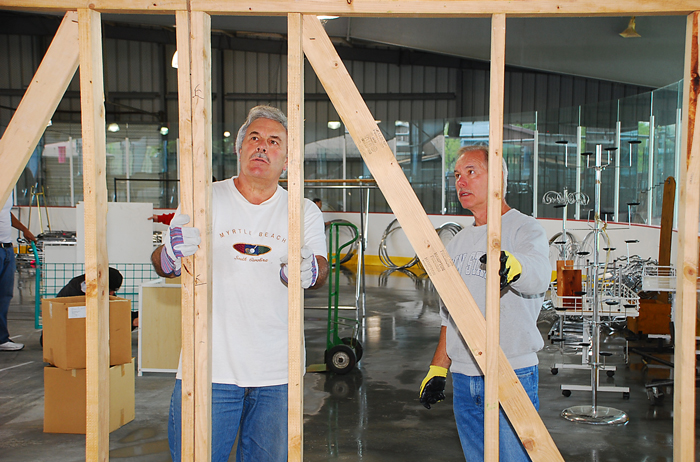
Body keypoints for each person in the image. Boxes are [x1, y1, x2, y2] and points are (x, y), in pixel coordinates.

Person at [151, 105, 329, 462]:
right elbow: (162, 262)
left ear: (288, 159)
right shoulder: (206, 198)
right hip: (208, 369)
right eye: (254, 138)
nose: (262, 147)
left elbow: (320, 269)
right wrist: (169, 254)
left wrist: (308, 272)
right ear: (239, 149)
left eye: (274, 141)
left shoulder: (302, 210)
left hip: (277, 375)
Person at [418, 146, 550, 462]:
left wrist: (514, 267)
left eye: (471, 172)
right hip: (465, 377)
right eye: (457, 176)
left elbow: (539, 274)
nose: (461, 182)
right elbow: (450, 315)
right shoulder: (458, 242)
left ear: (499, 178)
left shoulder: (523, 228)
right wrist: (439, 366)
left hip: (511, 371)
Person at [0, 192, 36, 351]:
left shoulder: (7, 188)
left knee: (4, 296)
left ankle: (1, 339)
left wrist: (24, 229)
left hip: (7, 248)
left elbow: (6, 213)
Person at [55, 267, 136, 328]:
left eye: (114, 291)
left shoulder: (101, 289)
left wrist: (134, 318)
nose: (112, 294)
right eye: (110, 290)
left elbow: (117, 310)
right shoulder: (76, 292)